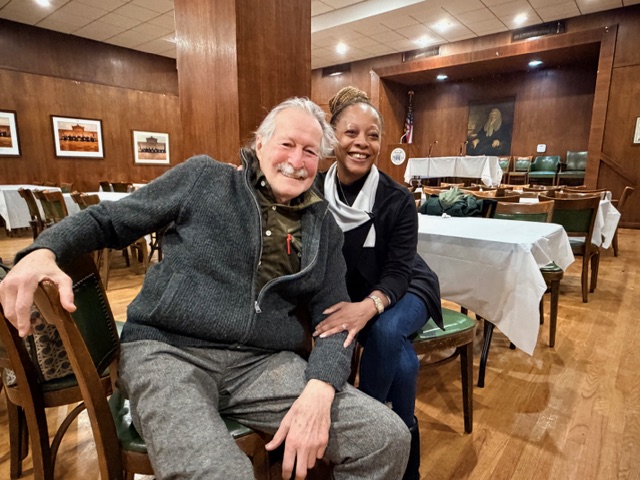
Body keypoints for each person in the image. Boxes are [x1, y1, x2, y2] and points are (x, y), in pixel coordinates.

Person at [0, 97, 411, 480]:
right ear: (260, 143)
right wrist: (42, 251)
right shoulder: (204, 179)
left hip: (262, 365)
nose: (296, 161)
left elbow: (335, 319)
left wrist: (321, 385)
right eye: (287, 144)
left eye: (309, 151)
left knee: (386, 438)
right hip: (168, 352)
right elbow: (108, 220)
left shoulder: (323, 225)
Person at [313, 86, 443, 480]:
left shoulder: (396, 199)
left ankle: (368, 429)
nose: (361, 143)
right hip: (356, 291)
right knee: (401, 361)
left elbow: (399, 271)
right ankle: (406, 462)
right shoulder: (314, 190)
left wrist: (367, 307)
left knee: (386, 331)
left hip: (407, 286)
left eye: (372, 135)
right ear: (333, 136)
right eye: (351, 132)